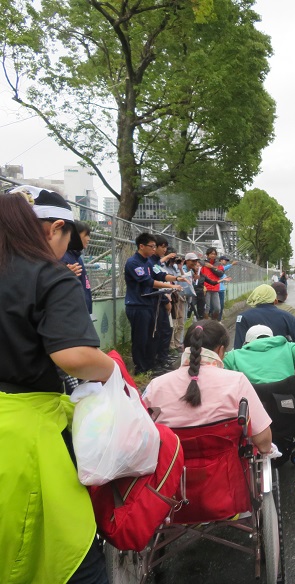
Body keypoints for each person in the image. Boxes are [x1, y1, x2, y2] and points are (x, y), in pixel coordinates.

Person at [0, 187, 117, 584]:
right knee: (69, 558)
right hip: (24, 442)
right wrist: (114, 375)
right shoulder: (48, 275)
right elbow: (76, 356)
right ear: (55, 229)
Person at [143, 320, 272, 454]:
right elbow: (264, 442)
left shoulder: (155, 386)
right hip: (227, 471)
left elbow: (141, 438)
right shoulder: (237, 381)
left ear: (184, 348)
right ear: (221, 350)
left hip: (173, 472)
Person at [124, 233, 182, 374]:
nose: (154, 249)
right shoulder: (133, 262)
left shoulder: (147, 262)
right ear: (141, 246)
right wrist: (171, 287)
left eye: (155, 246)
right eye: (152, 246)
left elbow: (160, 275)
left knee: (152, 336)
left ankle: (150, 365)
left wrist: (177, 278)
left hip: (148, 304)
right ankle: (140, 368)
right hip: (137, 305)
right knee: (140, 338)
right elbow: (147, 281)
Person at [224, 324, 295, 401]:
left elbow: (215, 364)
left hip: (251, 404)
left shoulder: (234, 355)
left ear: (246, 342)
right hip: (286, 399)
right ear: (271, 338)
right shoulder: (288, 347)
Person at [234, 284, 295, 348]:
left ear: (255, 297)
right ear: (274, 299)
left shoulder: (243, 317)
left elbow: (238, 347)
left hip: (251, 362)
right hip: (281, 361)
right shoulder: (287, 317)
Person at [61, 220, 93, 317]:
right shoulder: (65, 257)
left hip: (82, 313)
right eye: (86, 235)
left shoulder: (77, 257)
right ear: (75, 235)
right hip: (73, 315)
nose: (88, 239)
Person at [201, 247, 224, 319]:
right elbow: (200, 274)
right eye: (211, 254)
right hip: (206, 288)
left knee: (217, 308)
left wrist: (212, 267)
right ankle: (206, 323)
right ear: (207, 255)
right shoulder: (203, 263)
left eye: (214, 254)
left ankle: (213, 322)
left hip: (215, 288)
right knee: (206, 308)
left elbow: (221, 274)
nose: (213, 255)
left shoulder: (218, 264)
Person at [217, 256, 233, 321]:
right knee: (216, 306)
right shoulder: (217, 267)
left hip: (221, 289)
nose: (226, 261)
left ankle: (219, 320)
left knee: (221, 305)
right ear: (220, 260)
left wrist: (226, 277)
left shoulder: (221, 268)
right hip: (216, 289)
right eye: (225, 260)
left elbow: (224, 271)